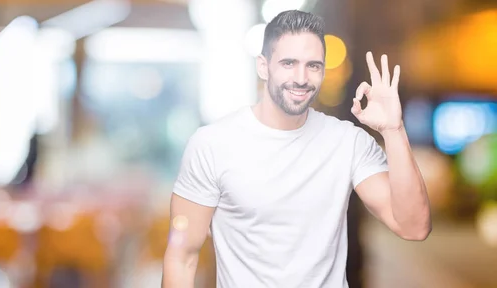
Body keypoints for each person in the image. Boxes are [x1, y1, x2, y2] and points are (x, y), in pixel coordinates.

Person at [162, 9, 431, 288]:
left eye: (313, 65)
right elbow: (182, 256)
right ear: (263, 66)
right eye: (288, 63)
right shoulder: (212, 144)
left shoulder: (348, 143)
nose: (301, 78)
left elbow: (414, 227)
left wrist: (394, 131)